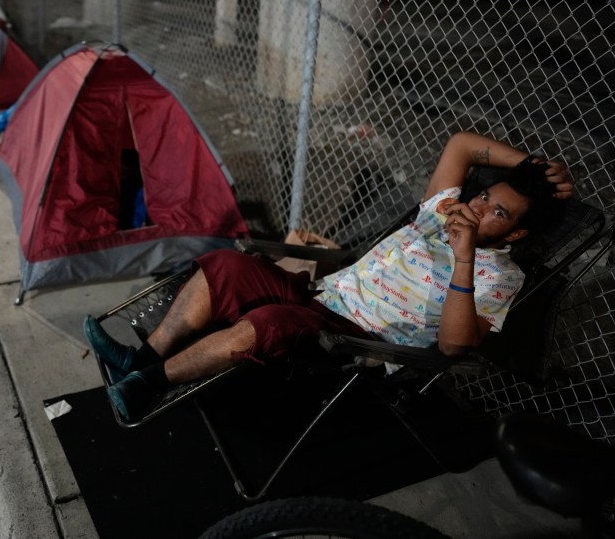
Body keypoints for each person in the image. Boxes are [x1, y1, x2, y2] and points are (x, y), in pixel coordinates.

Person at [85, 131, 574, 421]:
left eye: (498, 213)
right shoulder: (441, 212)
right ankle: (142, 359)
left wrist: (464, 257)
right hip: (321, 296)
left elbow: (453, 348)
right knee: (228, 264)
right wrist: (530, 164)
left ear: (514, 236)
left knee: (276, 321)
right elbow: (462, 145)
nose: (480, 206)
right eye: (485, 197)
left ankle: (148, 385)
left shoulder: (499, 277)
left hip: (358, 338)